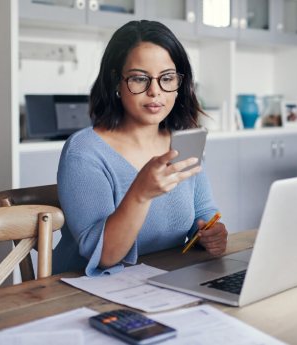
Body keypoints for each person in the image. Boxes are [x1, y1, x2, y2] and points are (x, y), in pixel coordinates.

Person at [53, 20, 228, 276]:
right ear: (116, 82)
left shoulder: (183, 141)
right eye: (139, 79)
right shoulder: (84, 151)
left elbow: (203, 212)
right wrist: (140, 194)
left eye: (167, 78)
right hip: (83, 293)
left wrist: (210, 233)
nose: (155, 91)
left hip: (162, 280)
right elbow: (104, 257)